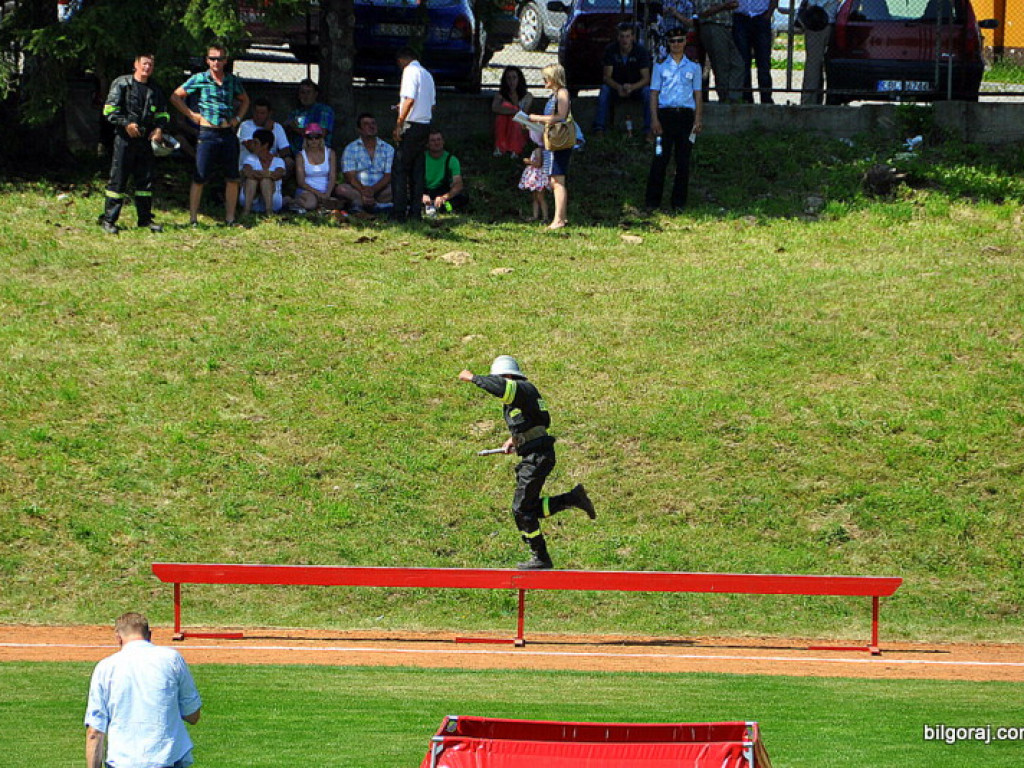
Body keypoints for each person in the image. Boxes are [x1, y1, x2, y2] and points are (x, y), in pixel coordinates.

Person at [458, 356, 595, 570]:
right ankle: (572, 498)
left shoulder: (521, 389)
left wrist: (473, 378)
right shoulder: (522, 397)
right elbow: (533, 423)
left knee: (521, 510)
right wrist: (515, 441)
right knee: (528, 509)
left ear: (508, 376)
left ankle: (541, 557)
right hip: (535, 455)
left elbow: (500, 387)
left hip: (537, 458)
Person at [85, 612, 202, 768]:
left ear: (118, 638)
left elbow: (94, 732)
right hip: (167, 759)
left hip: (122, 762)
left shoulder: (105, 668)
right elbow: (192, 715)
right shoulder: (172, 659)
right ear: (150, 635)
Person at [170, 44, 250, 227]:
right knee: (199, 176)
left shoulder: (231, 81)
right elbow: (176, 96)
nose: (216, 62)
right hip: (207, 133)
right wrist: (191, 115)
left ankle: (230, 218)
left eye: (220, 59)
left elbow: (245, 100)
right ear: (207, 60)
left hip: (227, 132)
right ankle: (193, 219)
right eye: (213, 58)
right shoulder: (200, 78)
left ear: (225, 61)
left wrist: (237, 119)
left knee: (232, 177)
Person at [99, 53, 170, 235]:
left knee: (145, 183)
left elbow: (163, 113)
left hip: (145, 142)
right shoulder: (122, 84)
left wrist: (159, 129)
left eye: (151, 65)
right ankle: (109, 220)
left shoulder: (155, 89)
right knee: (118, 180)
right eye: (145, 64)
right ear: (136, 65)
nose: (148, 68)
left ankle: (145, 220)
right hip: (124, 140)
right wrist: (126, 124)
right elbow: (109, 110)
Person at [646, 31, 704, 211]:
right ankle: (652, 202)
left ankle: (679, 202)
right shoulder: (660, 66)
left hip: (685, 116)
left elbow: (698, 94)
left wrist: (698, 120)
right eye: (673, 41)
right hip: (666, 116)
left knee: (683, 161)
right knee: (660, 159)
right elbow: (654, 94)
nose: (677, 44)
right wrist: (654, 119)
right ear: (668, 43)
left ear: (685, 42)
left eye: (680, 41)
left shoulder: (694, 67)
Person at [528, 64, 575, 230]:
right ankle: (559, 217)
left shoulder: (562, 93)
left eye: (546, 77)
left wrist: (537, 118)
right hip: (551, 143)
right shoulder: (554, 95)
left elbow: (560, 116)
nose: (544, 81)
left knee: (557, 181)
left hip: (558, 143)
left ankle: (559, 219)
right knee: (553, 180)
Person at [392, 47, 436, 222]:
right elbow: (432, 106)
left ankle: (398, 213)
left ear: (402, 60)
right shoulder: (427, 75)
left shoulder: (410, 71)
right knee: (417, 171)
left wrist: (399, 123)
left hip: (411, 126)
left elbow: (409, 99)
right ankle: (415, 212)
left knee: (400, 170)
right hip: (425, 125)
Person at [593, 23, 652, 137]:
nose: (625, 40)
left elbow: (646, 78)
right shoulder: (611, 50)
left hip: (636, 87)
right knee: (604, 90)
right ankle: (599, 128)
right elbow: (606, 77)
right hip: (616, 87)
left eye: (628, 36)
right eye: (622, 36)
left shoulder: (640, 51)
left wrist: (632, 87)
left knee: (648, 92)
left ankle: (648, 130)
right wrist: (618, 87)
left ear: (633, 37)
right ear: (618, 37)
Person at [337, 113, 395, 214]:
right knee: (341, 189)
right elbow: (350, 177)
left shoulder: (388, 148)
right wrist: (363, 191)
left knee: (397, 188)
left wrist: (372, 190)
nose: (371, 126)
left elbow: (388, 176)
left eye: (373, 123)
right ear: (359, 130)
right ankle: (374, 205)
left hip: (381, 190)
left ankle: (362, 206)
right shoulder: (351, 148)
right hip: (358, 190)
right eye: (366, 124)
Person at [694, 0, 745, 103]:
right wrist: (723, 6)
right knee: (721, 66)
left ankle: (733, 96)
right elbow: (703, 12)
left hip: (726, 27)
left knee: (738, 64)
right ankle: (725, 98)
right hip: (712, 26)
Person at [733, 0, 778, 104]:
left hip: (761, 17)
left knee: (763, 61)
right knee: (743, 62)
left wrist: (769, 14)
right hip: (741, 17)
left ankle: (766, 97)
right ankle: (746, 98)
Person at [238, 96, 293, 176]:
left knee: (289, 162)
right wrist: (266, 132)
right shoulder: (245, 125)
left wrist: (275, 157)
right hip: (250, 163)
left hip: (270, 163)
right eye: (256, 112)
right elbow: (252, 148)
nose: (259, 116)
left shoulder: (277, 127)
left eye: (262, 113)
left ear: (269, 113)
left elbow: (285, 150)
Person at [292, 122, 339, 213]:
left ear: (321, 138)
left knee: (335, 204)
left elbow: (332, 176)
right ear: (306, 139)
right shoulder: (300, 156)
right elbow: (301, 182)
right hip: (307, 190)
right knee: (311, 204)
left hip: (326, 190)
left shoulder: (330, 153)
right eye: (310, 137)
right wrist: (319, 194)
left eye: (317, 137)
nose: (314, 140)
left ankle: (321, 204)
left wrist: (327, 194)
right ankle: (291, 202)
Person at [240, 129, 288, 215]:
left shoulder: (278, 161)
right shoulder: (250, 158)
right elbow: (247, 171)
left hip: (273, 201)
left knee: (266, 180)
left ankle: (269, 211)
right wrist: (267, 174)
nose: (252, 145)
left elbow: (279, 174)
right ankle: (246, 210)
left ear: (265, 145)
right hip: (251, 199)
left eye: (256, 143)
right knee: (251, 180)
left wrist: (263, 175)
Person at [799, 0, 838, 105]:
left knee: (813, 66)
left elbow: (814, 3)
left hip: (819, 22)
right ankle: (813, 100)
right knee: (816, 66)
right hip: (822, 21)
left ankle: (808, 101)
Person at [421, 129, 469, 215]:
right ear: (427, 144)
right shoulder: (421, 159)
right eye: (433, 140)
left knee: (462, 199)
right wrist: (420, 196)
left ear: (443, 142)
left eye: (439, 139)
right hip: (423, 193)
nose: (436, 143)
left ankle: (442, 208)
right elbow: (410, 181)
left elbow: (458, 184)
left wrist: (444, 197)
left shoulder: (451, 160)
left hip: (442, 193)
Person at [285, 78, 335, 155]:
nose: (306, 96)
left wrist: (296, 128)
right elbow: (286, 126)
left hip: (318, 153)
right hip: (296, 153)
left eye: (309, 92)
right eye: (302, 92)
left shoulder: (324, 110)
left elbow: (320, 133)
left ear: (315, 94)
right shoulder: (296, 112)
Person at [492, 65, 532, 157]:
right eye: (508, 78)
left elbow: (523, 114)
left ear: (519, 79)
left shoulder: (527, 96)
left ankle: (515, 148)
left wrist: (513, 110)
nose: (511, 81)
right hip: (505, 126)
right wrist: (513, 111)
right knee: (503, 114)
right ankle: (500, 147)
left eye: (514, 78)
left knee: (514, 116)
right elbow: (495, 108)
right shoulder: (500, 95)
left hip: (519, 128)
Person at [518, 140, 549, 222]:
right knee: (535, 197)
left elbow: (538, 164)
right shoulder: (543, 150)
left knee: (540, 197)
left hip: (538, 177)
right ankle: (535, 216)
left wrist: (529, 161)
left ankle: (545, 217)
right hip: (535, 177)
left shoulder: (538, 150)